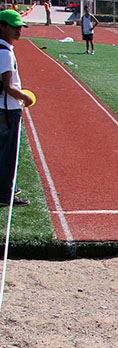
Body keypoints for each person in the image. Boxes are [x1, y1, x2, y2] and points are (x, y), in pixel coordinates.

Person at [0, 9, 33, 207]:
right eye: (14, 27)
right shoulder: (4, 52)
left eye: (20, 27)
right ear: (2, 27)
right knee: (9, 153)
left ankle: (5, 187)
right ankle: (5, 194)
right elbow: (9, 86)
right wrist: (26, 97)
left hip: (4, 107)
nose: (19, 31)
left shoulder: (4, 49)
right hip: (8, 109)